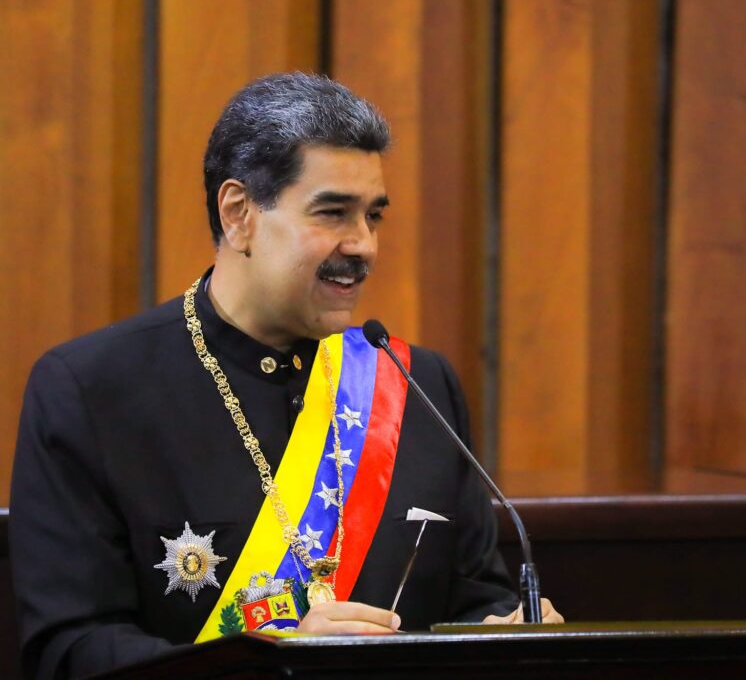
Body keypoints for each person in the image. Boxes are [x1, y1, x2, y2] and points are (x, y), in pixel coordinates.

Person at [10, 72, 561, 680]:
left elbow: (477, 598)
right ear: (240, 213)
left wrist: (507, 632)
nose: (364, 245)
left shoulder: (414, 383)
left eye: (373, 216)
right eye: (333, 213)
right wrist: (273, 665)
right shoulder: (91, 389)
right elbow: (69, 653)